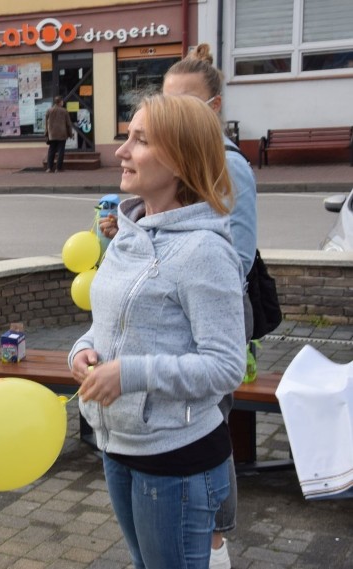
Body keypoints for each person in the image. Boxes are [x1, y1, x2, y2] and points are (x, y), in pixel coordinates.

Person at [69, 94, 246, 569]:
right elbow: (108, 322)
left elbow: (226, 366)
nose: (121, 151)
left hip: (177, 460)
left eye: (140, 140)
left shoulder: (204, 251)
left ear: (180, 158)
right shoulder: (129, 231)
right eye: (128, 136)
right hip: (117, 444)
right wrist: (83, 351)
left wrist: (130, 373)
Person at [162, 44, 258, 569]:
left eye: (186, 102)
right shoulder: (177, 156)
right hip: (184, 305)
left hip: (214, 310)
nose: (172, 111)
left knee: (210, 427)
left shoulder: (228, 163)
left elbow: (235, 258)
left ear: (214, 108)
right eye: (166, 101)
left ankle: (217, 541)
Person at [44, 96, 74, 173]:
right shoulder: (64, 111)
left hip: (52, 134)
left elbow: (46, 123)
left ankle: (49, 168)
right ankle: (58, 168)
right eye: (62, 101)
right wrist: (70, 134)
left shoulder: (49, 110)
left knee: (51, 151)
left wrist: (46, 133)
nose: (63, 102)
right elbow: (68, 124)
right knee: (61, 151)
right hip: (62, 134)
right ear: (60, 102)